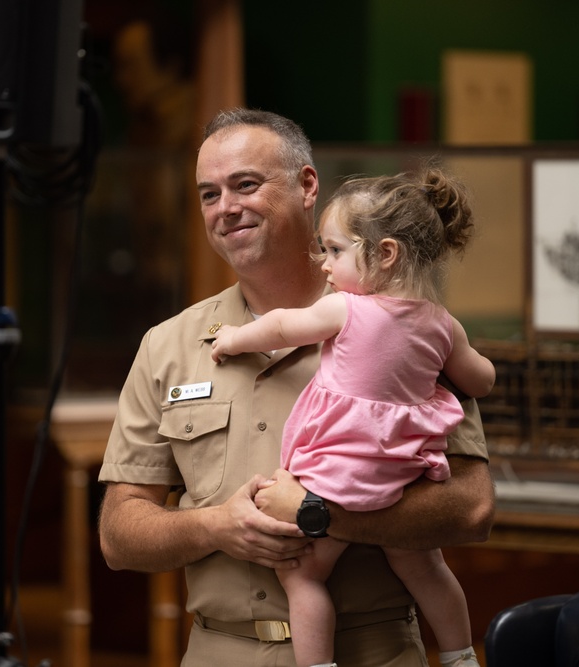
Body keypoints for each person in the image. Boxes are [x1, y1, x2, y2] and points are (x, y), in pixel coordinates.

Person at [97, 108, 496, 667]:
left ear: (307, 185)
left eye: (246, 184)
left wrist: (317, 514)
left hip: (375, 651)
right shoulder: (168, 346)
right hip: (218, 652)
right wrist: (217, 526)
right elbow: (119, 536)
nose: (226, 207)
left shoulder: (411, 328)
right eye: (209, 194)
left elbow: (471, 511)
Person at [209, 166, 495, 667]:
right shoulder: (443, 324)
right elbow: (480, 380)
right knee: (425, 567)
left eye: (336, 251)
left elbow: (280, 327)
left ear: (385, 254)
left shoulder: (346, 309)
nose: (325, 265)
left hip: (336, 478)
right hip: (403, 474)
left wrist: (233, 339)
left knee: (303, 577)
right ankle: (460, 655)